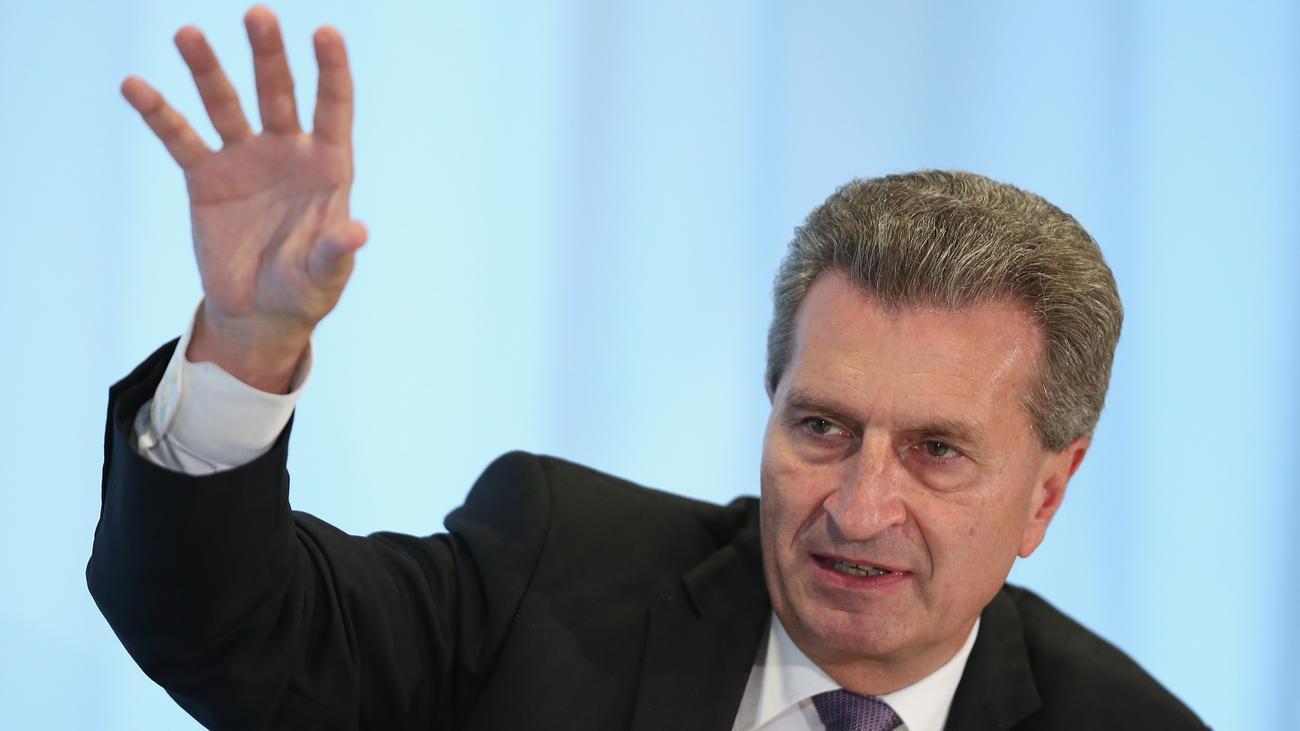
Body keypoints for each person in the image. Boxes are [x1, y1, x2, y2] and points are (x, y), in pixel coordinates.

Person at [87, 7, 1207, 731]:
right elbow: (222, 624)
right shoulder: (555, 573)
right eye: (821, 426)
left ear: (1046, 492)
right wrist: (249, 342)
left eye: (937, 450)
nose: (859, 507)